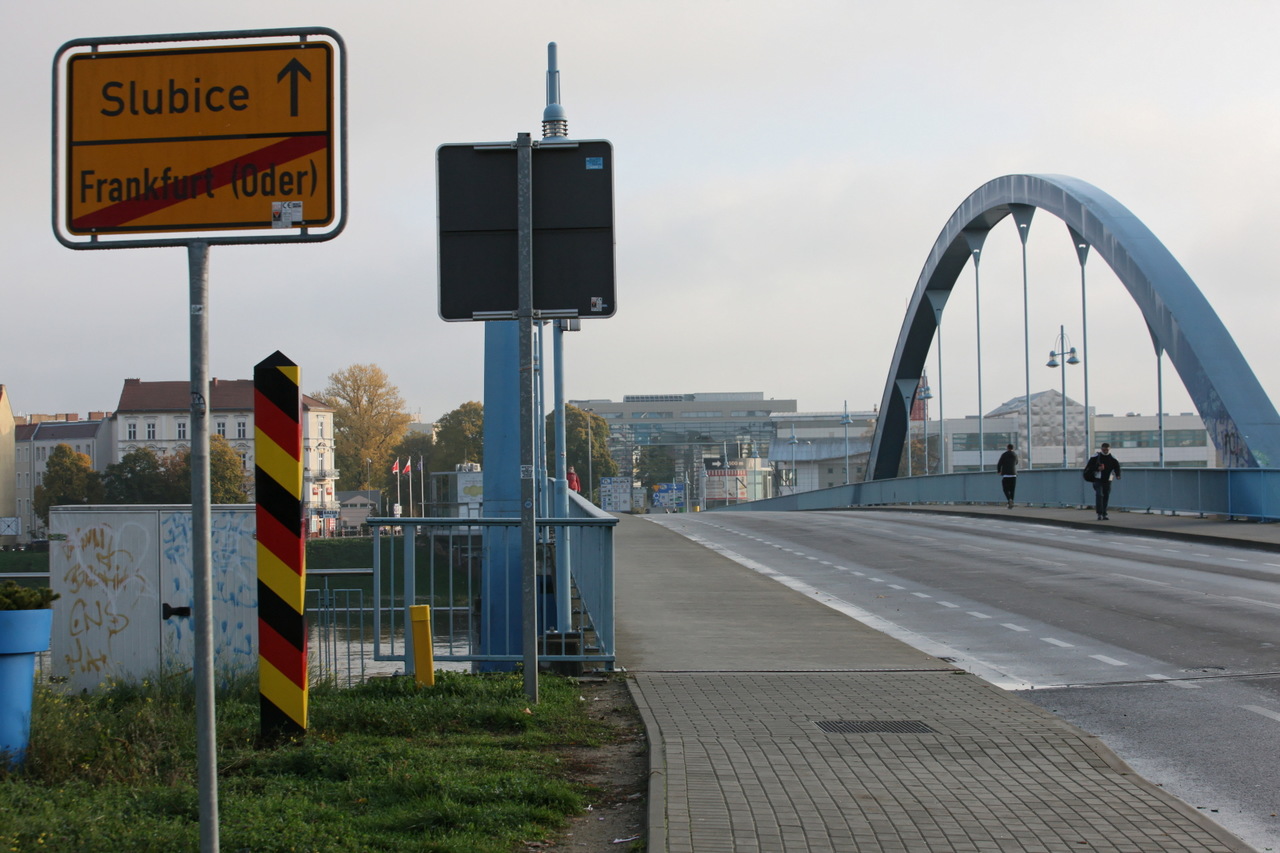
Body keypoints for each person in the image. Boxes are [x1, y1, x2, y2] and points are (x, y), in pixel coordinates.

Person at [1086, 443, 1122, 520]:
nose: (1105, 451)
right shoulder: (1096, 456)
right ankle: (1099, 513)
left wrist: (1118, 475)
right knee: (1099, 495)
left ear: (1109, 449)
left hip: (1108, 480)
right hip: (1097, 479)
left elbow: (1117, 467)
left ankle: (1104, 513)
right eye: (1104, 449)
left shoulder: (1113, 457)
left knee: (1106, 496)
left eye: (1107, 449)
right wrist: (1097, 468)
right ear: (1101, 449)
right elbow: (1089, 467)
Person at [995, 444, 1018, 508]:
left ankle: (1009, 499)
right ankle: (1011, 502)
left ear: (1007, 448)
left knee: (1005, 489)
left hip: (1006, 475)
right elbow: (1016, 462)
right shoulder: (1015, 455)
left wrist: (999, 471)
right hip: (1014, 475)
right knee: (1012, 490)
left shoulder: (1004, 454)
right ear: (1013, 448)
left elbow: (999, 464)